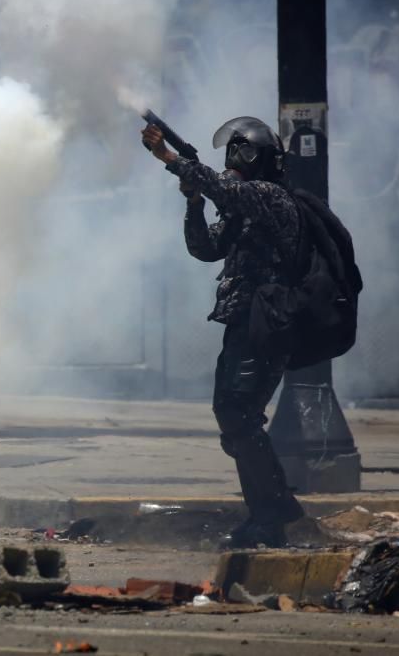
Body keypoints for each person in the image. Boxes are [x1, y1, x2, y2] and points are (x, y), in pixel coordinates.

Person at [142, 116, 304, 548]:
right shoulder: (242, 208)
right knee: (233, 417)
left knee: (239, 417)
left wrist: (170, 159)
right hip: (242, 321)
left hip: (266, 323)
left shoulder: (271, 198)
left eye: (241, 154)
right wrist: (193, 202)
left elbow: (227, 188)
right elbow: (205, 248)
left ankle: (272, 515)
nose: (234, 162)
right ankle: (267, 512)